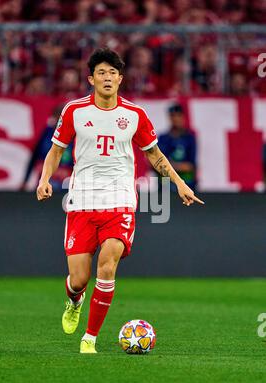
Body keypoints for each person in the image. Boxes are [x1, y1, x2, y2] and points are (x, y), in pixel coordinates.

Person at [36, 48, 204, 354]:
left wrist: (179, 184)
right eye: (101, 72)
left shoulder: (135, 115)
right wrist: (44, 179)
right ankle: (74, 301)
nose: (107, 77)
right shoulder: (75, 111)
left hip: (120, 201)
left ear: (121, 79)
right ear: (91, 79)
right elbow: (56, 149)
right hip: (82, 202)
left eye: (113, 73)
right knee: (78, 278)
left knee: (108, 265)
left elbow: (154, 154)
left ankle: (90, 338)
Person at [158, 103, 197, 190]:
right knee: (162, 202)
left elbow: (191, 165)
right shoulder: (163, 138)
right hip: (166, 184)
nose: (175, 119)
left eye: (178, 115)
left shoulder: (189, 138)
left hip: (186, 183)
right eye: (173, 116)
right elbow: (158, 165)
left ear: (183, 117)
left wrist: (169, 166)